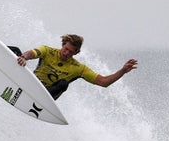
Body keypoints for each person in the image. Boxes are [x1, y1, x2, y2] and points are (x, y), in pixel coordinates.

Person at [10, 34, 138, 100]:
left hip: (47, 95)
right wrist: (24, 58)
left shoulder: (78, 68)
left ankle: (40, 99)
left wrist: (122, 71)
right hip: (31, 83)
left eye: (71, 52)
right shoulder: (48, 51)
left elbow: (103, 82)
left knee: (63, 84)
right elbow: (32, 53)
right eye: (66, 49)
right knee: (16, 51)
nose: (66, 53)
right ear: (63, 44)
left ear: (76, 52)